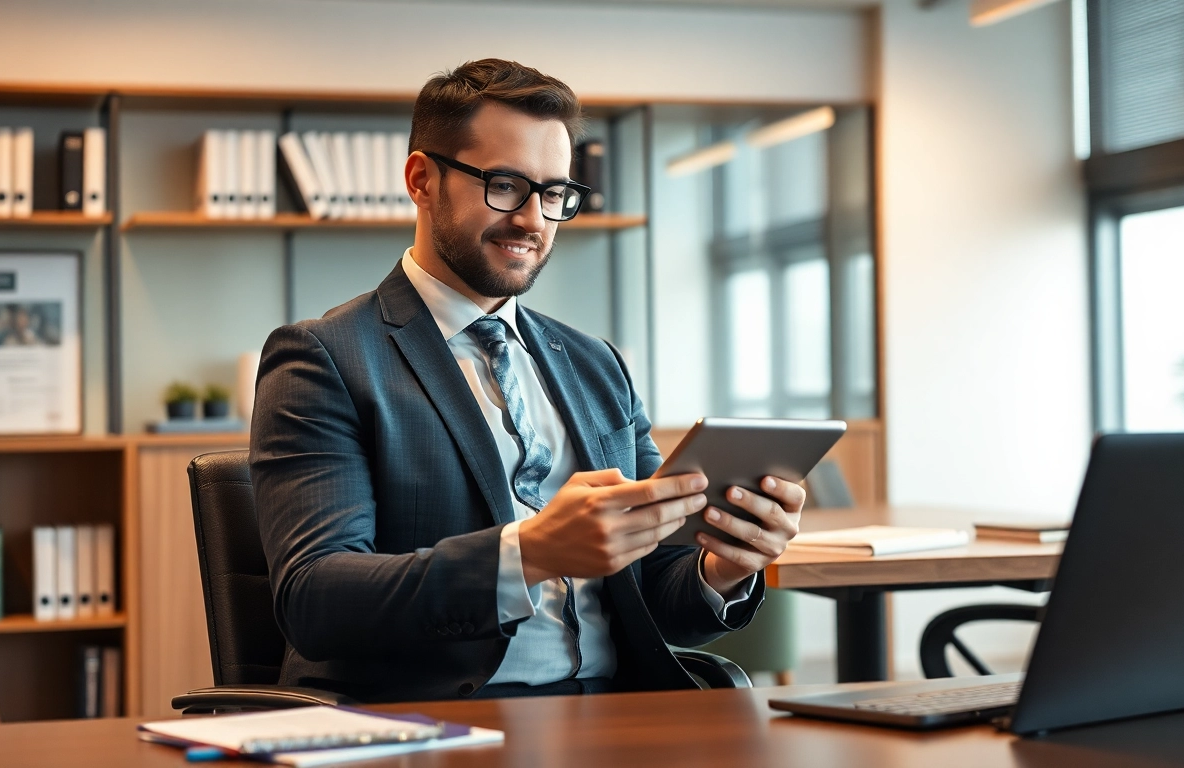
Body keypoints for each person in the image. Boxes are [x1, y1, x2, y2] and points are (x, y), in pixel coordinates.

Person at [251, 59, 805, 703]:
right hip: (436, 720)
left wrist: (726, 566)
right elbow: (317, 600)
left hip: (614, 714)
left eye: (553, 193)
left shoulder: (596, 365)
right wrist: (531, 553)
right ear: (421, 179)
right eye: (506, 186)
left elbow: (656, 592)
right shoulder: (326, 359)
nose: (534, 220)